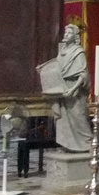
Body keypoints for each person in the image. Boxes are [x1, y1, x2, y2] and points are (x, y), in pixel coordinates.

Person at [37, 24, 91, 153]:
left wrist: (73, 90)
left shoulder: (78, 52)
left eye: (69, 33)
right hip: (62, 91)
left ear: (75, 37)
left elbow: (83, 74)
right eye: (66, 32)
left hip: (74, 93)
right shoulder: (62, 51)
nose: (66, 35)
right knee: (63, 121)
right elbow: (56, 64)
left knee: (79, 119)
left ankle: (87, 144)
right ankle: (67, 145)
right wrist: (43, 67)